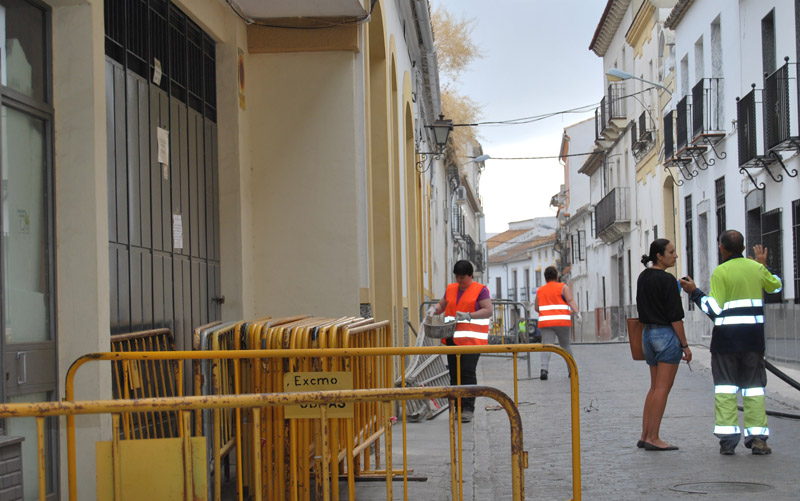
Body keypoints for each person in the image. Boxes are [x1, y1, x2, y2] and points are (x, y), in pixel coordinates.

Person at [679, 230, 782, 456]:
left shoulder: (720, 272)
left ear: (721, 248)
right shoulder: (756, 269)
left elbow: (715, 310)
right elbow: (776, 286)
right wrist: (764, 266)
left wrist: (695, 292)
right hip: (753, 342)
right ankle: (758, 440)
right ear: (744, 249)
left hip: (726, 343)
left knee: (725, 391)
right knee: (754, 391)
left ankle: (728, 441)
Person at [636, 239, 692, 451]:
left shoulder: (643, 277)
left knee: (654, 388)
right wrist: (685, 346)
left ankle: (645, 434)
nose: (675, 255)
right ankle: (654, 437)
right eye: (671, 251)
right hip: (666, 335)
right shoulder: (668, 280)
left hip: (648, 335)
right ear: (659, 255)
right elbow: (675, 317)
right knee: (663, 389)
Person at [428, 260, 492, 423]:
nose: (459, 280)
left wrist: (469, 315)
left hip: (472, 340)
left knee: (467, 373)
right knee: (454, 374)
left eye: (462, 277)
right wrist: (433, 310)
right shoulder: (451, 289)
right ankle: (457, 407)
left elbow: (488, 310)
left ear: (470, 275)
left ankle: (468, 409)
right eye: (457, 276)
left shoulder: (480, 290)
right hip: (452, 339)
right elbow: (442, 305)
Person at [535, 266, 580, 381]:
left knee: (547, 346)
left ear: (545, 278)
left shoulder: (540, 290)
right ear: (556, 276)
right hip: (562, 322)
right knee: (565, 346)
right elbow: (570, 300)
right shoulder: (563, 287)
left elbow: (536, 307)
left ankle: (544, 369)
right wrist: (577, 313)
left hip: (546, 323)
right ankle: (571, 369)